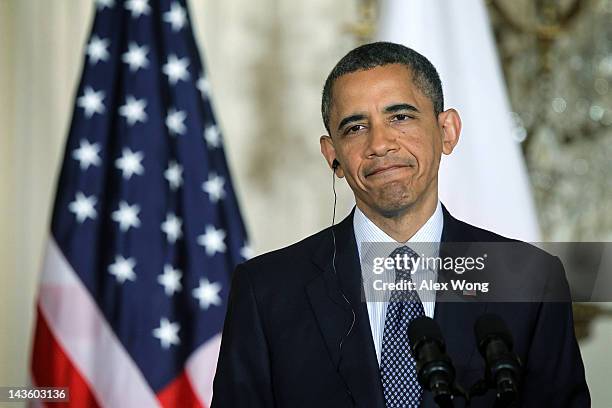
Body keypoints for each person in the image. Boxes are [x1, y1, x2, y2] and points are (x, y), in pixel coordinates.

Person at [211, 42, 589, 407]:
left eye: (400, 117)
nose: (380, 143)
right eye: (355, 127)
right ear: (333, 156)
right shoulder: (266, 290)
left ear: (447, 131)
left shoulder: (529, 279)